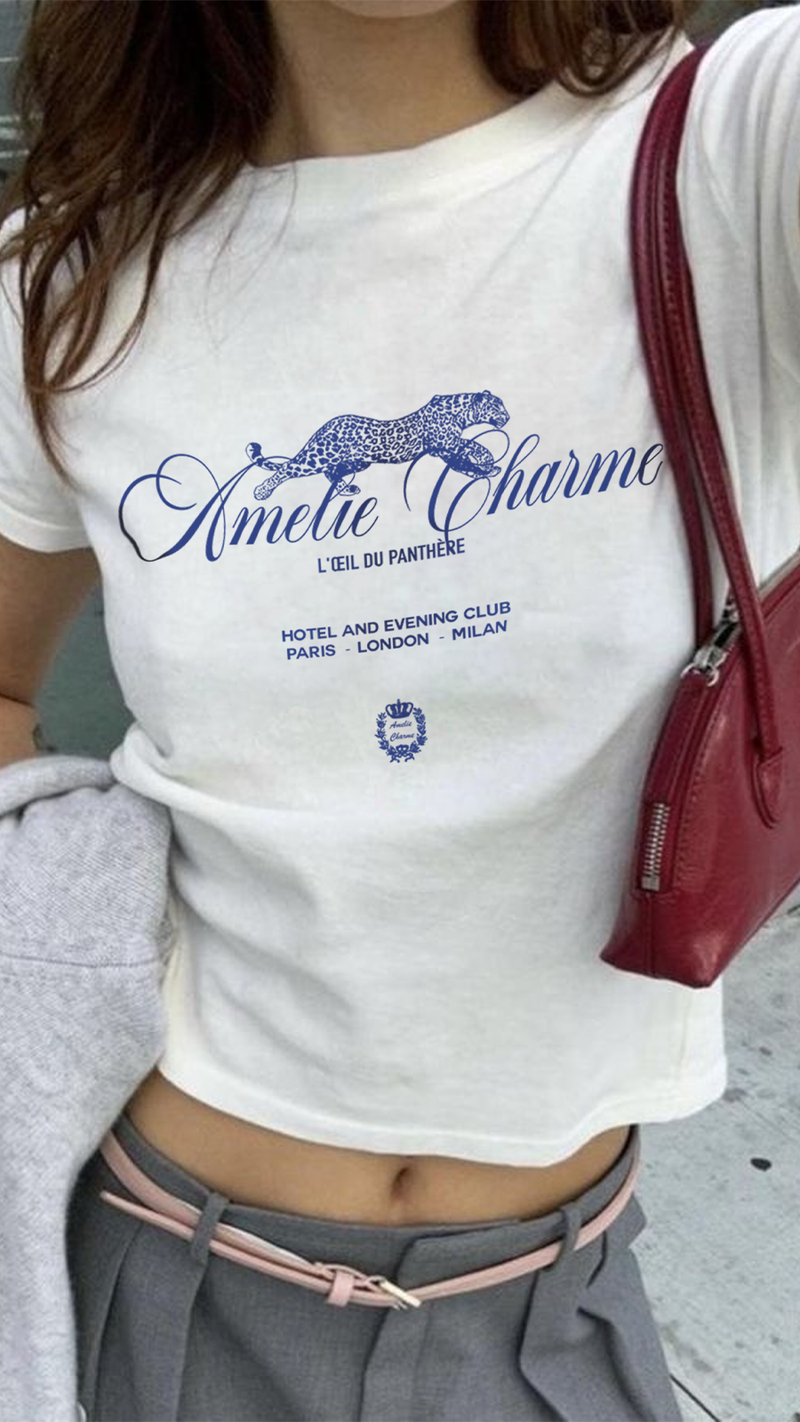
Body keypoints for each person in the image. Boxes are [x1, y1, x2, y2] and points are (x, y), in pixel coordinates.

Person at [0, 0, 797, 1417]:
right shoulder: (73, 280)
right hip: (158, 1282)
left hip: (550, 1305)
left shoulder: (727, 156)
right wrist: (53, 911)